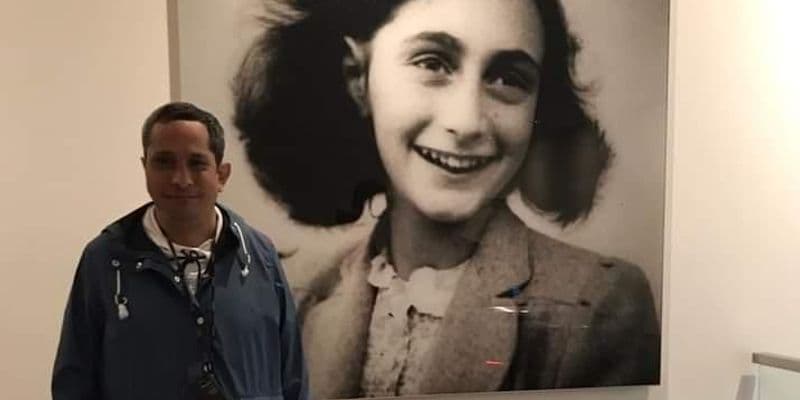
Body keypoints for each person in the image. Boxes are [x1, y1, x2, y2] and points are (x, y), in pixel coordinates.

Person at [233, 0, 660, 398]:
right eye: (433, 62)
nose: (467, 121)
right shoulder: (298, 295)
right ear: (358, 78)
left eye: (508, 78)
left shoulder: (599, 304)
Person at [52, 102, 308, 400]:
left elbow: (293, 378)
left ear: (221, 174)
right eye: (164, 162)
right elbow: (74, 381)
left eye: (197, 163)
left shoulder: (260, 256)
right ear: (144, 167)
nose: (181, 179)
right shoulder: (106, 260)